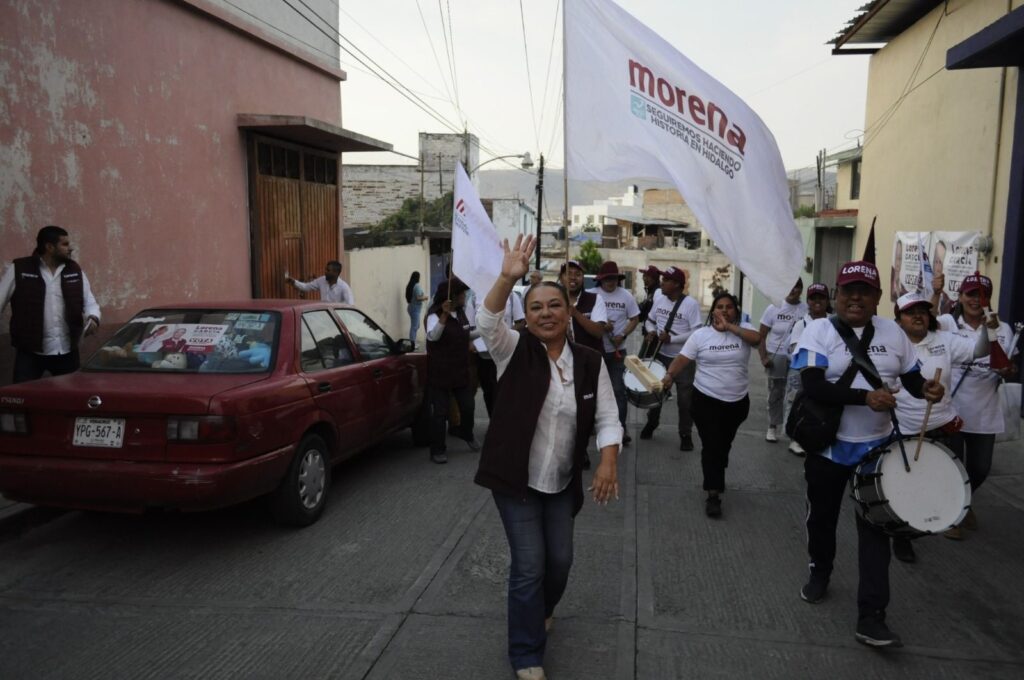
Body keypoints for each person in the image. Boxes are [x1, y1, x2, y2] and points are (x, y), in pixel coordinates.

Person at [474, 235, 621, 680]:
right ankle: (526, 654)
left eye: (553, 306)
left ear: (568, 310)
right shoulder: (512, 350)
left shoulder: (590, 362)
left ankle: (544, 610)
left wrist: (608, 462)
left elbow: (609, 418)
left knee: (560, 561)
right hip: (514, 480)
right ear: (526, 316)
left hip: (560, 482)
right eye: (535, 308)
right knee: (529, 565)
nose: (545, 314)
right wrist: (507, 277)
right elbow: (486, 321)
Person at [792, 257, 943, 648]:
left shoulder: (894, 333)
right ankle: (820, 570)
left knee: (877, 531)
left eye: (865, 291)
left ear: (877, 297)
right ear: (836, 295)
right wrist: (865, 397)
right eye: (848, 290)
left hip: (878, 451)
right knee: (821, 519)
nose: (855, 297)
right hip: (827, 449)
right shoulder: (818, 332)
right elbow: (813, 387)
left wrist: (926, 388)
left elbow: (910, 380)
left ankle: (872, 616)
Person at [891, 291, 989, 562]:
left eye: (923, 311)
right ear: (899, 319)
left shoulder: (944, 340)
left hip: (944, 425)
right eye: (911, 312)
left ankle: (944, 515)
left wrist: (988, 328)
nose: (918, 316)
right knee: (907, 485)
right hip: (906, 428)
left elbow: (979, 351)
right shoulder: (893, 343)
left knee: (949, 478)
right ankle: (903, 537)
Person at [661, 292, 759, 517]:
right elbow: (682, 359)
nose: (724, 310)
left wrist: (730, 328)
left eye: (729, 307)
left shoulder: (743, 330)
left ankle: (717, 468)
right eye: (719, 307)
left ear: (736, 311)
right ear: (712, 311)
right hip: (706, 400)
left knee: (723, 445)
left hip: (737, 403)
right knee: (711, 446)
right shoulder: (701, 335)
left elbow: (757, 339)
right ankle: (713, 493)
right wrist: (669, 376)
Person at [936, 271, 1018, 539]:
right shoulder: (947, 323)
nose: (976, 300)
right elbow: (923, 323)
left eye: (982, 296)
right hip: (953, 409)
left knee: (981, 468)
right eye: (971, 294)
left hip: (986, 411)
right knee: (953, 464)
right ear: (960, 296)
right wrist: (935, 292)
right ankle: (953, 516)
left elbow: (1009, 364)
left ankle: (962, 501)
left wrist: (1009, 370)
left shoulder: (1002, 328)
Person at [0, 225, 101, 383]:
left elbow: (90, 302)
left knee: (71, 399)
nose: (70, 248)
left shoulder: (74, 270)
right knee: (23, 397)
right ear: (49, 247)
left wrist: (93, 318)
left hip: (67, 351)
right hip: (30, 352)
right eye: (65, 244)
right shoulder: (19, 269)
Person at [640, 266, 702, 450]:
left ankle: (685, 434)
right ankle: (652, 423)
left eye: (666, 280)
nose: (662, 283)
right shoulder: (659, 299)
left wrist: (672, 339)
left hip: (683, 359)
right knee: (656, 395)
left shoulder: (690, 304)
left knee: (685, 401)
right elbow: (649, 320)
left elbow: (697, 331)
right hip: (660, 356)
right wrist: (651, 332)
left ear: (676, 284)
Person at [424, 278, 479, 464]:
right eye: (462, 294)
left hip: (460, 371)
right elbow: (433, 336)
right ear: (453, 297)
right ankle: (437, 450)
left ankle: (466, 432)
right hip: (440, 373)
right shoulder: (434, 315)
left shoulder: (462, 314)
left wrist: (485, 331)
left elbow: (466, 334)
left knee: (468, 406)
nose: (465, 296)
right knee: (440, 413)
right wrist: (444, 316)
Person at [593, 261, 640, 444]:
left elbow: (635, 319)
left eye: (613, 278)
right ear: (601, 280)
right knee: (592, 391)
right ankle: (592, 427)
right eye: (607, 279)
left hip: (617, 352)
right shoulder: (592, 295)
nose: (610, 282)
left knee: (619, 391)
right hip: (595, 351)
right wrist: (601, 324)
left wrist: (622, 334)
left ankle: (621, 428)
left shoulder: (626, 296)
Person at [784, 283, 831, 456]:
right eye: (813, 298)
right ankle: (795, 438)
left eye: (821, 298)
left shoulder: (833, 322)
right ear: (808, 301)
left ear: (827, 300)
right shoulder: (801, 324)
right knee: (795, 401)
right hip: (801, 370)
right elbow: (796, 349)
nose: (817, 301)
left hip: (826, 369)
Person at [758, 279, 808, 444]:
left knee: (795, 394)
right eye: (790, 286)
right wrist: (764, 357)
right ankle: (772, 426)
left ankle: (793, 431)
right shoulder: (773, 308)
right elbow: (762, 336)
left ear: (801, 289)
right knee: (776, 392)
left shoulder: (806, 309)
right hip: (776, 356)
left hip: (797, 357)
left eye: (797, 287)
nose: (793, 290)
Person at [468, 287, 525, 416]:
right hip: (484, 353)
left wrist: (506, 335)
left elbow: (521, 322)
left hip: (506, 351)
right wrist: (470, 342)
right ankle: (493, 421)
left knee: (506, 389)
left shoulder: (511, 296)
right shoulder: (474, 298)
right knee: (489, 390)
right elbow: (469, 326)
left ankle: (505, 421)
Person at [559, 260, 608, 355]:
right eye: (568, 274)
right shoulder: (554, 300)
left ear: (583, 278)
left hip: (590, 360)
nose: (573, 278)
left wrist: (575, 313)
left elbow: (598, 332)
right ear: (561, 278)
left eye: (578, 274)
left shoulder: (595, 299)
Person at [285, 260, 354, 304]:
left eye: (328, 270)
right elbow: (306, 287)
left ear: (336, 273)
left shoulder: (344, 287)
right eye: (325, 269)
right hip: (323, 316)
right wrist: (293, 282)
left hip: (336, 319)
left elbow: (350, 305)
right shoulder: (322, 280)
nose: (325, 272)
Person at [405, 271, 428, 348]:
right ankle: (412, 344)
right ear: (417, 277)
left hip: (412, 307)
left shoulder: (411, 285)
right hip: (415, 309)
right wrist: (425, 297)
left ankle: (413, 342)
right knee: (415, 326)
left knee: (416, 325)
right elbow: (418, 297)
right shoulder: (417, 286)